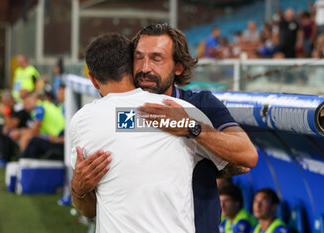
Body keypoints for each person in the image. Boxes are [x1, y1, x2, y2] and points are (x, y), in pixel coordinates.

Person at [71, 24, 258, 233]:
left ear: (178, 67)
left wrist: (190, 127)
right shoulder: (109, 113)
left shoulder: (200, 105)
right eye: (139, 57)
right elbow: (90, 209)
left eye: (156, 58)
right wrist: (78, 189)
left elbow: (247, 156)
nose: (145, 68)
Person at [17, 91, 65, 158]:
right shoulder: (45, 105)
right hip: (57, 136)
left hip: (59, 138)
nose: (26, 106)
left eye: (28, 103)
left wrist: (24, 136)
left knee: (32, 140)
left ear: (35, 99)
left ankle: (23, 160)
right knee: (29, 137)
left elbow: (34, 131)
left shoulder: (39, 108)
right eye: (24, 104)